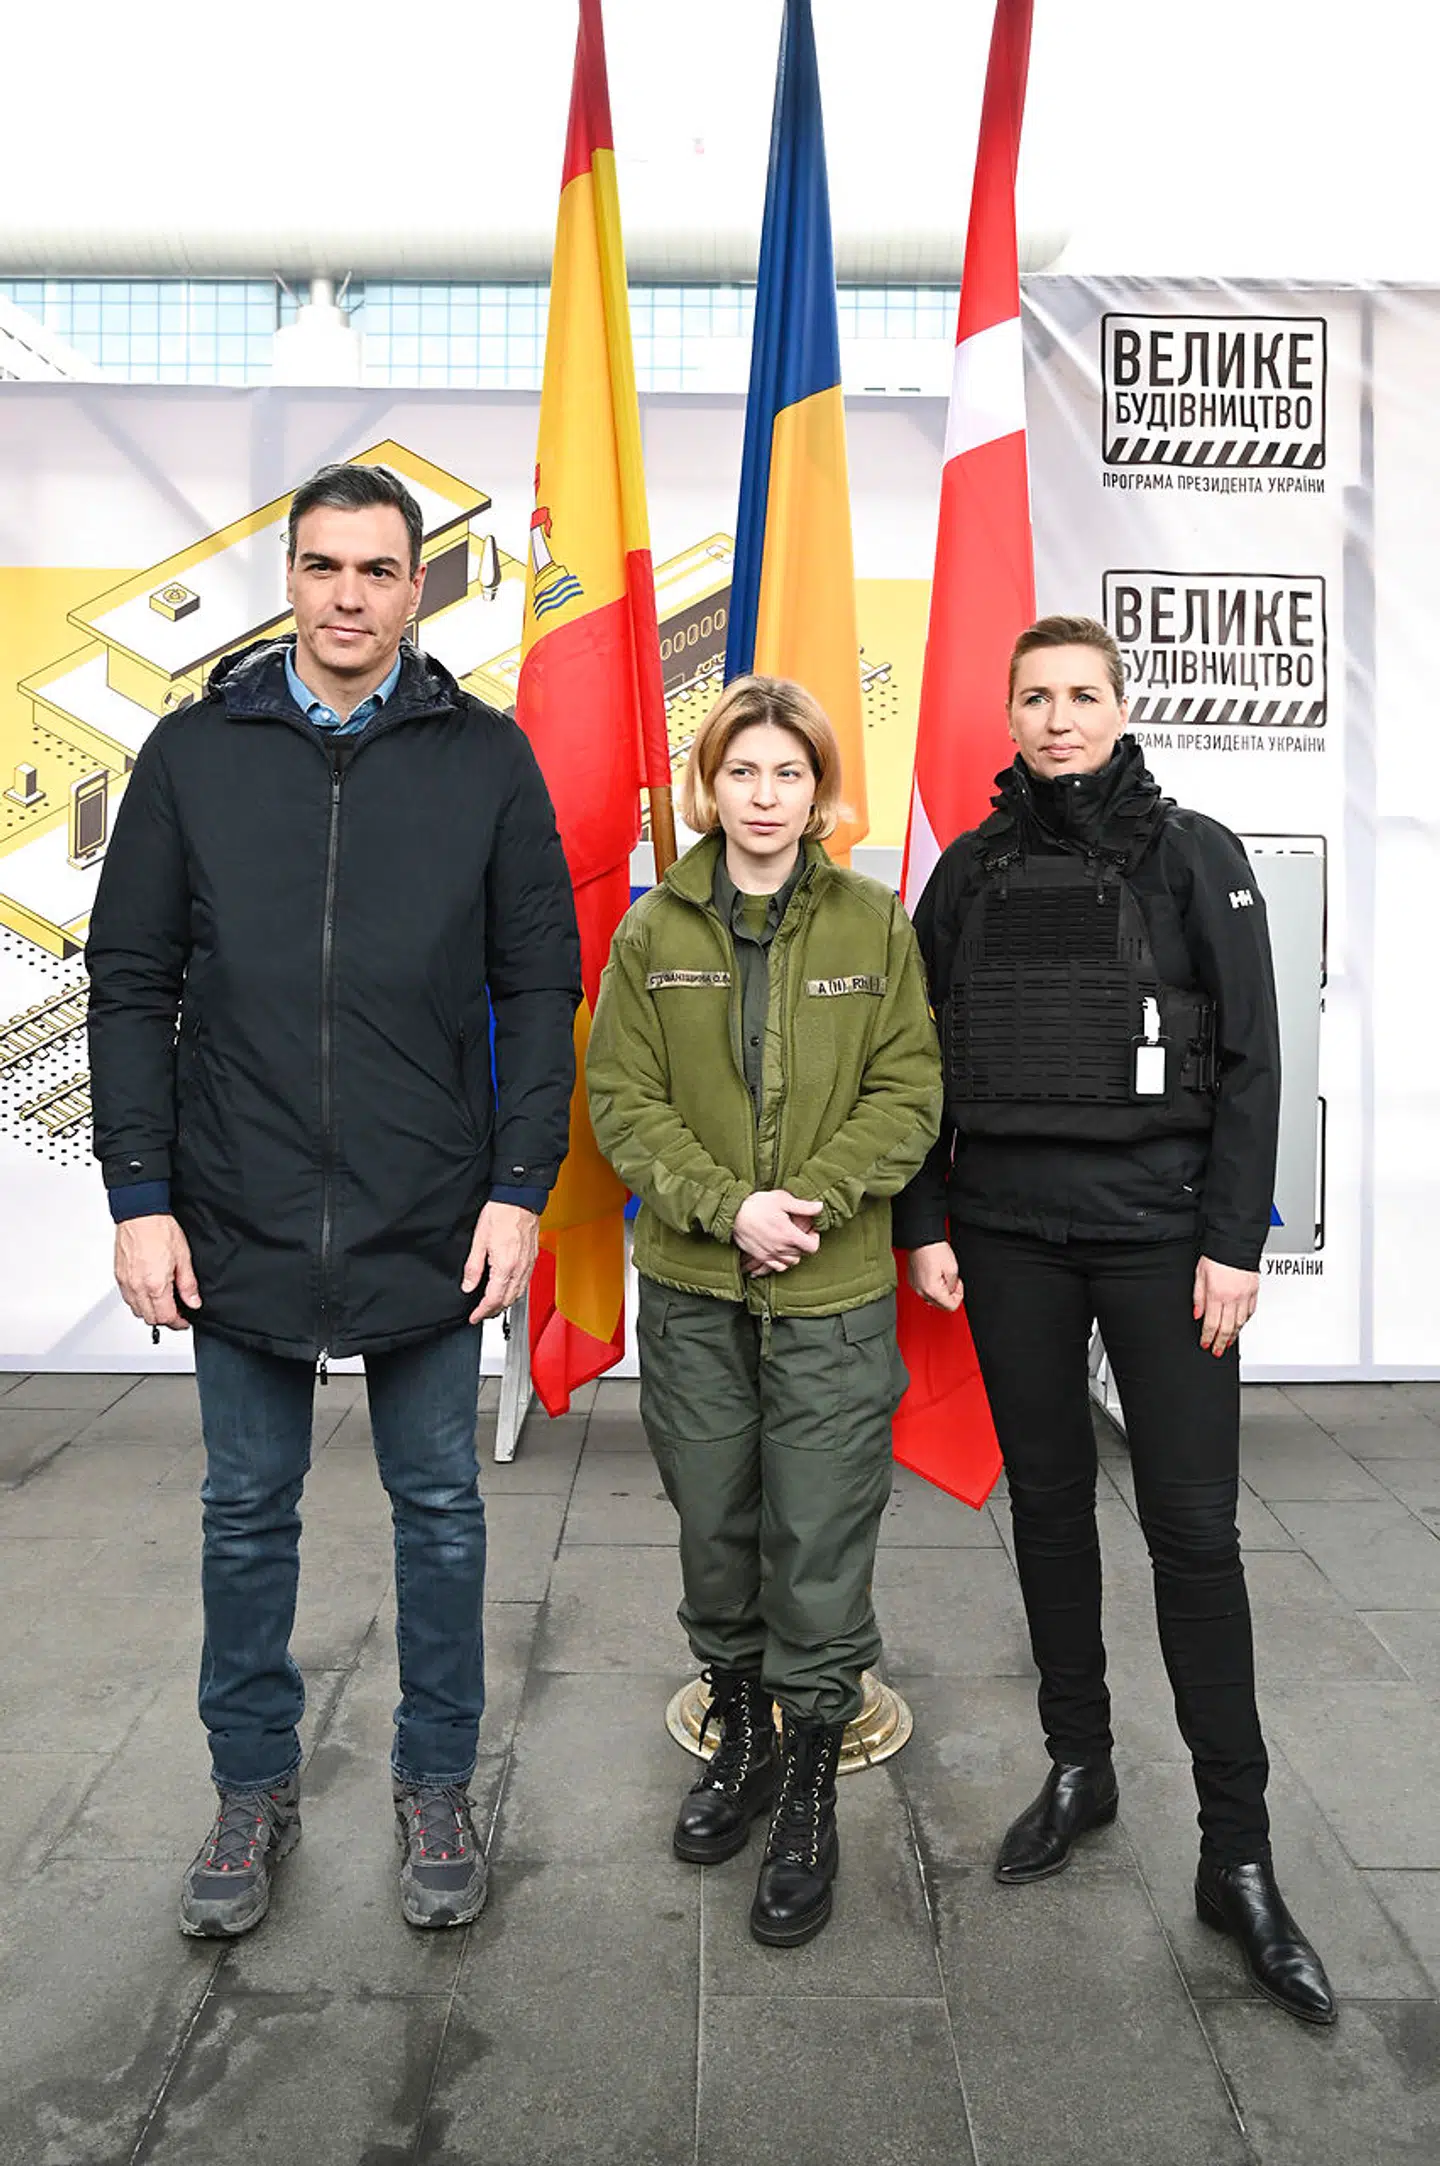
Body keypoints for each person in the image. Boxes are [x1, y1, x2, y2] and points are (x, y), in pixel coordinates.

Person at [86, 461, 580, 1938]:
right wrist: (139, 1193)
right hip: (229, 1206)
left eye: (379, 569)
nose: (350, 594)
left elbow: (540, 987)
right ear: (288, 579)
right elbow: (130, 983)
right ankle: (251, 1789)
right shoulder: (192, 754)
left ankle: (437, 1780)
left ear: (417, 587)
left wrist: (517, 1189)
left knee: (439, 1511)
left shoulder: (486, 758)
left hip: (431, 1209)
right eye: (324, 567)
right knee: (247, 1512)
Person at [896, 614, 1335, 2026]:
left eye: (1083, 693)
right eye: (1036, 695)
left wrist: (1233, 1240)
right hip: (1010, 1235)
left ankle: (1240, 1854)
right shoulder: (966, 872)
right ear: (1009, 709)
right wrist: (922, 1223)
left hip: (1163, 1246)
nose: (1060, 716)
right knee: (1048, 1506)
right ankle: (1078, 1767)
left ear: (1121, 702)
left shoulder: (1198, 853)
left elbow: (1260, 1055)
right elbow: (916, 1060)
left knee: (1197, 1536)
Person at [586, 675, 941, 1948]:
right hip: (693, 1292)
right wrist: (725, 1204)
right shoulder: (652, 933)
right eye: (744, 773)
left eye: (790, 774)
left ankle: (804, 1794)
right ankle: (739, 1738)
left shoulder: (872, 924)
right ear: (708, 785)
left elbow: (908, 1091)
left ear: (820, 790)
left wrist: (817, 1199)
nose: (765, 796)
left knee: (821, 1535)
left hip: (834, 1293)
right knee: (717, 1525)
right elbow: (621, 1099)